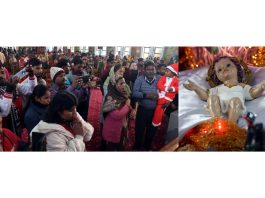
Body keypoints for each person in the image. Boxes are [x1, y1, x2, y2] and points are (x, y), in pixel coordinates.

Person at [184, 56, 265, 123]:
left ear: (237, 68)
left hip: (235, 107)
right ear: (217, 76)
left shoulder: (242, 86)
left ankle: (231, 124)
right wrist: (196, 88)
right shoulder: (217, 88)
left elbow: (253, 93)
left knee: (235, 100)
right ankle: (217, 121)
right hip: (219, 106)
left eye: (228, 65)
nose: (224, 69)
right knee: (212, 98)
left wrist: (261, 87)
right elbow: (205, 96)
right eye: (219, 70)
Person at [132, 60, 160, 150]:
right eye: (148, 69)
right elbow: (134, 93)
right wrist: (145, 95)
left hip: (155, 111)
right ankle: (137, 147)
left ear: (155, 70)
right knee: (139, 130)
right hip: (142, 110)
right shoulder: (139, 79)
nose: (151, 71)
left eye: (152, 69)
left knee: (151, 130)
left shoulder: (159, 79)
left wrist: (159, 97)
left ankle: (147, 147)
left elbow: (165, 91)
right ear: (144, 70)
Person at [102, 75, 131, 151]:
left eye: (124, 83)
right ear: (114, 85)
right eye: (121, 83)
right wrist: (127, 105)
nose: (124, 85)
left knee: (121, 146)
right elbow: (117, 115)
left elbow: (127, 108)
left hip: (122, 128)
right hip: (112, 129)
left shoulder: (123, 95)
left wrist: (132, 110)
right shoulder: (110, 97)